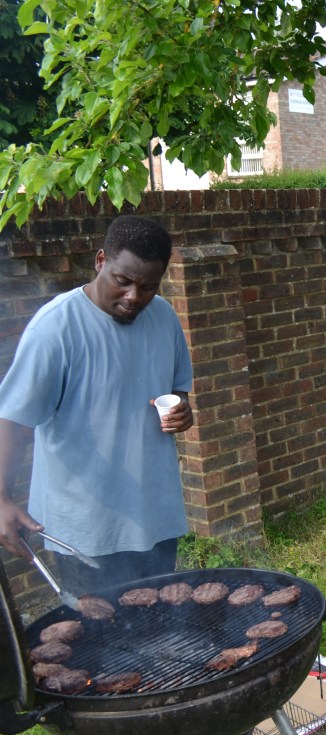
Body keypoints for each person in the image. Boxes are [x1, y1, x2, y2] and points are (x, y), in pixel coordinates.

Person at [0, 215, 194, 594]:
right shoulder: (55, 328)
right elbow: (14, 422)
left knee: (163, 622)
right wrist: (2, 498)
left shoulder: (164, 318)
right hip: (86, 529)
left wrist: (182, 412)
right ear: (101, 260)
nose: (134, 296)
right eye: (123, 281)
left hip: (155, 515)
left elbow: (176, 390)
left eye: (148, 287)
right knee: (100, 629)